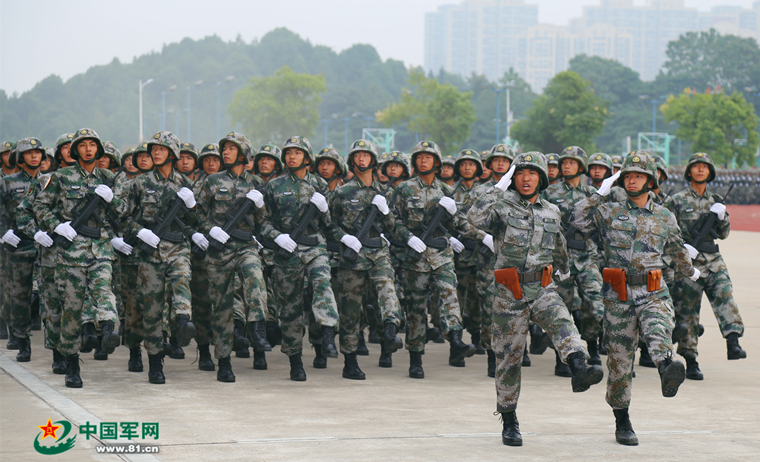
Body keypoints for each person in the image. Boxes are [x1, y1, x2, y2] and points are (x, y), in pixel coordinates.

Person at [468, 152, 603, 447]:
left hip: (542, 287)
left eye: (531, 173)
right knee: (509, 359)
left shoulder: (552, 210)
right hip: (509, 294)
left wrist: (563, 270)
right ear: (513, 179)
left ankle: (579, 367)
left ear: (541, 179)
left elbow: (559, 244)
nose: (525, 179)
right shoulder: (501, 207)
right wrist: (498, 186)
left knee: (564, 322)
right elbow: (474, 218)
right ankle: (509, 420)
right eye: (519, 174)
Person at [572, 152, 698, 446]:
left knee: (657, 328)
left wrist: (691, 270)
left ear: (650, 181)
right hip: (618, 297)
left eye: (638, 176)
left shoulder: (664, 216)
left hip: (653, 291)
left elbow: (676, 249)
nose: (632, 180)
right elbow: (577, 218)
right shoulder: (609, 212)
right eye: (627, 175)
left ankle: (666, 367)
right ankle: (622, 420)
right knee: (619, 363)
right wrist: (601, 191)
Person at [33, 128, 122, 388]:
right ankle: (72, 364)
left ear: (99, 149)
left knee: (104, 289)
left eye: (92, 144)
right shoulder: (61, 177)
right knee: (71, 311)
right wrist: (57, 226)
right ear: (75, 150)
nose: (88, 149)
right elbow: (40, 206)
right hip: (70, 253)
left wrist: (113, 199)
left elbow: (124, 210)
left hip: (100, 249)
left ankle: (108, 330)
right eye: (82, 145)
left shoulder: (109, 178)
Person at [389, 140, 480, 378]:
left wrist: (454, 214)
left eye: (428, 157)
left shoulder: (446, 191)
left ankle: (456, 341)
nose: (423, 161)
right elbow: (392, 221)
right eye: (420, 157)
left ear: (436, 163)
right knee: (416, 307)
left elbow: (457, 224)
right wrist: (408, 237)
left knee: (450, 296)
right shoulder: (404, 189)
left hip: (441, 255)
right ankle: (415, 358)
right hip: (416, 256)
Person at [118, 131, 200, 384]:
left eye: (161, 149)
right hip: (149, 252)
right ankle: (155, 362)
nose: (155, 152)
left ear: (172, 154)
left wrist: (192, 206)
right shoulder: (139, 183)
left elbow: (195, 221)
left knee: (182, 279)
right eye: (153, 149)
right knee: (151, 308)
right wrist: (140, 231)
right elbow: (123, 217)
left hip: (177, 247)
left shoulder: (185, 183)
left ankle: (183, 321)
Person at [258, 135, 339, 381]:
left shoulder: (320, 184)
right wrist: (277, 237)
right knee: (290, 307)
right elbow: (262, 222)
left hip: (314, 247)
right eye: (288, 152)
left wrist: (325, 209)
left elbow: (332, 224)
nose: (292, 156)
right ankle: (295, 360)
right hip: (288, 250)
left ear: (307, 157)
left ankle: (327, 333)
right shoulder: (274, 186)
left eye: (297, 152)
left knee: (322, 284)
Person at [195, 132, 270, 382]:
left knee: (255, 279)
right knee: (222, 307)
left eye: (231, 148)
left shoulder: (256, 183)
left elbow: (262, 221)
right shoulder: (212, 180)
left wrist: (260, 205)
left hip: (246, 245)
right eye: (224, 148)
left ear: (243, 153)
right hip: (220, 250)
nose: (225, 152)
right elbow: (197, 213)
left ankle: (257, 328)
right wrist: (210, 229)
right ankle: (224, 362)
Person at [327, 139, 403, 379]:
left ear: (373, 160)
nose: (361, 159)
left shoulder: (386, 192)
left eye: (366, 155)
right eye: (357, 156)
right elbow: (330, 225)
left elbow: (392, 227)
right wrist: (344, 237)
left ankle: (390, 332)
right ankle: (350, 362)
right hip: (352, 257)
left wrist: (386, 211)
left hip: (378, 253)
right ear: (352, 160)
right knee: (350, 310)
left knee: (388, 290)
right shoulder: (342, 192)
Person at [667, 152, 746, 380]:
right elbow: (666, 231)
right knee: (688, 311)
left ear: (710, 172)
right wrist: (681, 248)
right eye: (696, 166)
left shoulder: (716, 200)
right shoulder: (676, 201)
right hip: (688, 263)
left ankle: (733, 340)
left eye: (705, 166)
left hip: (713, 261)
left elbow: (724, 233)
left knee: (725, 295)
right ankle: (690, 359)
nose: (700, 169)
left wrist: (722, 217)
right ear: (689, 171)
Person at [542, 146, 606, 372]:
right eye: (564, 162)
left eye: (572, 162)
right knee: (562, 308)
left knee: (596, 304)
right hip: (561, 258)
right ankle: (562, 358)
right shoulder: (550, 192)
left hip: (587, 257)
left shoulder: (592, 194)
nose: (567, 166)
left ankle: (593, 344)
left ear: (581, 167)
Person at [449, 149, 497, 372]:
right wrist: (449, 237)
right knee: (458, 301)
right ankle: (456, 346)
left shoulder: (485, 191)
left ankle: (480, 341)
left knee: (483, 300)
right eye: (463, 164)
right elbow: (448, 220)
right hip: (461, 253)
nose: (467, 168)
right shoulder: (450, 191)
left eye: (471, 164)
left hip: (484, 254)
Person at [1, 137, 45, 362]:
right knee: (18, 297)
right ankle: (22, 341)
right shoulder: (8, 183)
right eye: (29, 152)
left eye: (37, 152)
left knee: (50, 297)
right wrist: (2, 233)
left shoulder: (50, 181)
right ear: (20, 157)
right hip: (19, 246)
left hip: (46, 247)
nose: (34, 156)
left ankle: (57, 348)